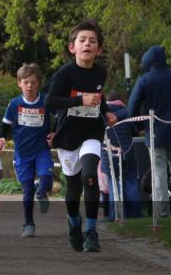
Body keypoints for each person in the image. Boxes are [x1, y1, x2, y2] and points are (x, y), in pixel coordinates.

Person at [46, 19, 118, 253]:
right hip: (68, 136)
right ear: (72, 47)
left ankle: (91, 231)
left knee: (90, 175)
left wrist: (106, 111)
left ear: (99, 49)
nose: (87, 44)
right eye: (82, 40)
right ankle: (74, 221)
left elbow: (99, 95)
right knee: (74, 188)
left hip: (91, 132)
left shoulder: (100, 71)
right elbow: (50, 102)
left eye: (93, 41)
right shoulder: (65, 73)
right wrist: (79, 100)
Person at [127, 45, 171, 217]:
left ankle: (162, 211)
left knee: (158, 174)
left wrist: (140, 126)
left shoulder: (145, 80)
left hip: (155, 133)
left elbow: (132, 108)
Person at [0, 63, 53, 238]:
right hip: (22, 153)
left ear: (38, 84)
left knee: (47, 178)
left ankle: (42, 191)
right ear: (19, 83)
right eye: (26, 82)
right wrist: (1, 138)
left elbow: (59, 118)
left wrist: (55, 132)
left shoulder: (46, 101)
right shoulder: (14, 103)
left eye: (33, 82)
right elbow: (5, 126)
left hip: (42, 150)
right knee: (27, 190)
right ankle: (28, 223)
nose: (29, 86)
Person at [102, 92, 143, 219]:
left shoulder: (101, 114)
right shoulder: (127, 112)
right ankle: (135, 213)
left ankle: (117, 214)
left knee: (113, 182)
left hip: (108, 154)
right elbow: (136, 131)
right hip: (128, 151)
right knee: (131, 180)